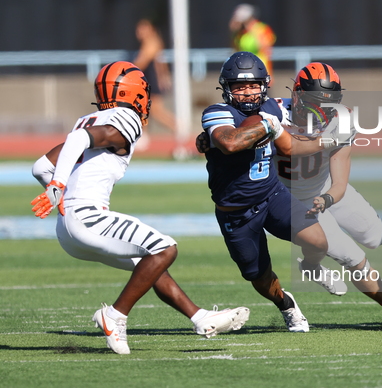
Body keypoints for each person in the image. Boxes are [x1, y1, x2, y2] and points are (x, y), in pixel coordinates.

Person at [30, 61, 249, 354]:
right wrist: (58, 186)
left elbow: (40, 166)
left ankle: (200, 318)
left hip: (67, 229)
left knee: (148, 264)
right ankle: (115, 315)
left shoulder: (88, 118)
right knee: (164, 249)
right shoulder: (125, 116)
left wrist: (57, 191)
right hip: (88, 216)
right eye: (143, 93)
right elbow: (78, 141)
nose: (145, 100)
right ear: (133, 94)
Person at [200, 51, 340, 333]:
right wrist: (266, 125)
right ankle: (287, 305)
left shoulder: (273, 108)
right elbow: (229, 142)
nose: (248, 93)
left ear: (264, 84)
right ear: (227, 88)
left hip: (272, 195)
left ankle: (311, 266)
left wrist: (332, 133)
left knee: (319, 242)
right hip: (236, 212)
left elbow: (299, 129)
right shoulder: (218, 112)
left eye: (253, 85)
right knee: (259, 277)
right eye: (240, 87)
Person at [270, 62, 382, 325]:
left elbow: (340, 181)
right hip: (290, 200)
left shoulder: (341, 119)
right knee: (354, 258)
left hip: (324, 189)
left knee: (375, 237)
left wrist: (328, 199)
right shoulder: (274, 113)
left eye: (328, 103)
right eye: (313, 102)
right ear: (297, 95)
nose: (321, 110)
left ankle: (310, 264)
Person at [133, 18, 177, 151]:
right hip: (148, 80)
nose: (139, 32)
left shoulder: (151, 42)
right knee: (142, 108)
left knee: (155, 110)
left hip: (151, 81)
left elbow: (142, 62)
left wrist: (126, 71)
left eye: (143, 28)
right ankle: (142, 136)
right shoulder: (150, 42)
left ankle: (177, 128)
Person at [229, 4, 276, 83]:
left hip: (261, 71)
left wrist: (252, 30)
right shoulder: (240, 34)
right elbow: (235, 50)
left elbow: (264, 47)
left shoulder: (262, 28)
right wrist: (234, 31)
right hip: (243, 71)